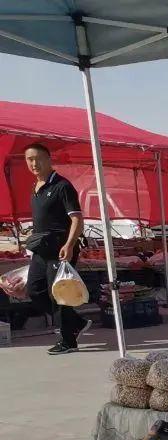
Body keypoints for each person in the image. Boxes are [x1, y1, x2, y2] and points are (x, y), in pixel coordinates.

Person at [23, 143, 88, 355]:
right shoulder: (35, 188)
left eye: (38, 158)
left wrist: (69, 245)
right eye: (30, 159)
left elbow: (77, 219)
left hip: (61, 249)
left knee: (59, 294)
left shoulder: (62, 186)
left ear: (49, 160)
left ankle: (68, 341)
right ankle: (76, 322)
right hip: (41, 251)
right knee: (35, 290)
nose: (34, 163)